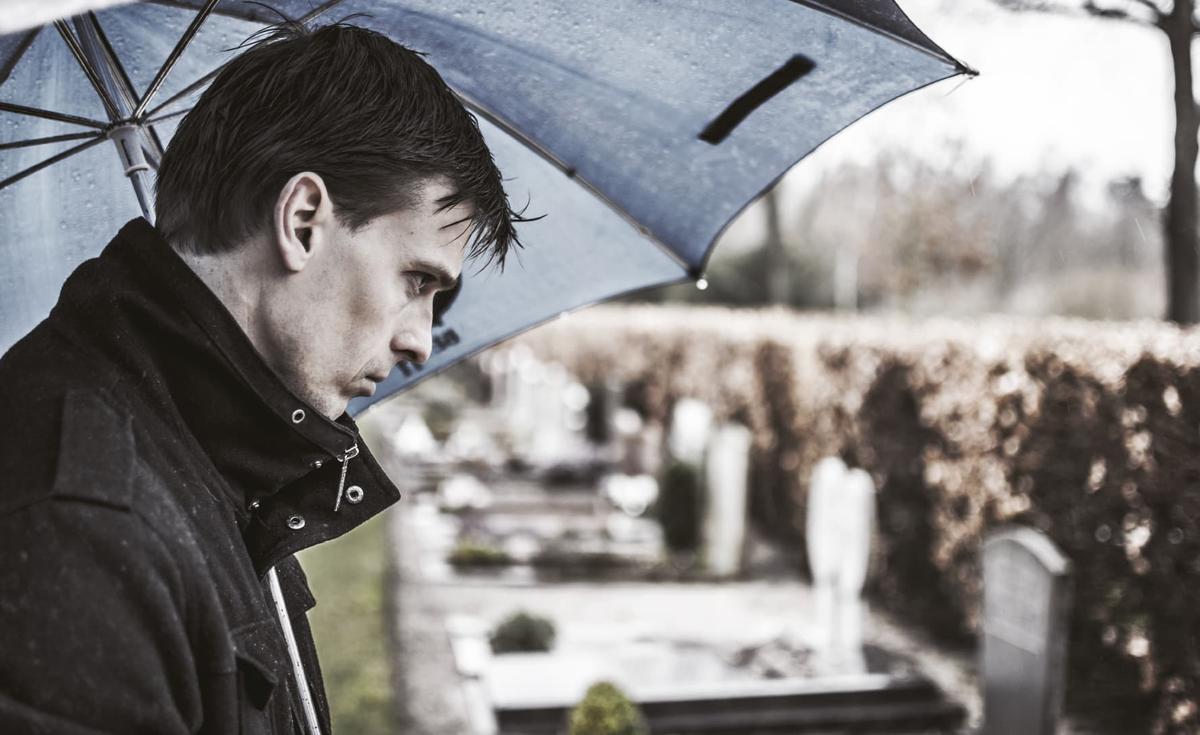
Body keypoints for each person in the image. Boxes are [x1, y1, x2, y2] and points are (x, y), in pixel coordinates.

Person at [0, 18, 526, 734]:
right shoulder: (84, 525)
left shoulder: (221, 459)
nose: (419, 341)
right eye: (417, 280)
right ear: (304, 219)